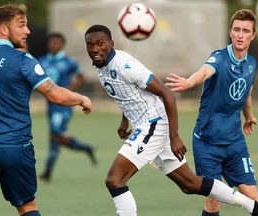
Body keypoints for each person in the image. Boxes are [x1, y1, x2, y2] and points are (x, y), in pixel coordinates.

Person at [84, 24, 258, 216]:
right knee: (189, 184)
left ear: (111, 43)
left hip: (153, 124)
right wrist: (125, 120)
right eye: (90, 45)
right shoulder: (102, 67)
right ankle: (251, 205)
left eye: (100, 44)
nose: (95, 49)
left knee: (114, 180)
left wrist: (174, 136)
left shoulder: (125, 65)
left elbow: (167, 94)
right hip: (148, 125)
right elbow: (128, 94)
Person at [0, 4, 92, 216]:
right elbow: (55, 95)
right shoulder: (22, 59)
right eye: (22, 25)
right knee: (27, 207)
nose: (27, 31)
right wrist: (81, 98)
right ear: (4, 29)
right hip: (16, 147)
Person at [165, 9, 258, 216]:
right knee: (214, 203)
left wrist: (248, 115)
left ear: (253, 35)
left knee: (253, 197)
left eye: (245, 31)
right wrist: (189, 81)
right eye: (236, 30)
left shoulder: (251, 64)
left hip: (235, 143)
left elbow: (247, 92)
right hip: (207, 143)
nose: (240, 35)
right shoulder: (219, 58)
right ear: (230, 32)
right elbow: (205, 71)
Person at [37, 33, 96, 182]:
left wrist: (69, 90)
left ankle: (48, 171)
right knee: (54, 136)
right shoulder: (42, 61)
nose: (53, 45)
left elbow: (81, 77)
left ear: (62, 45)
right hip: (50, 105)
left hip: (63, 106)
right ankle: (85, 148)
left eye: (56, 43)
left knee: (56, 132)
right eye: (51, 43)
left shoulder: (69, 61)